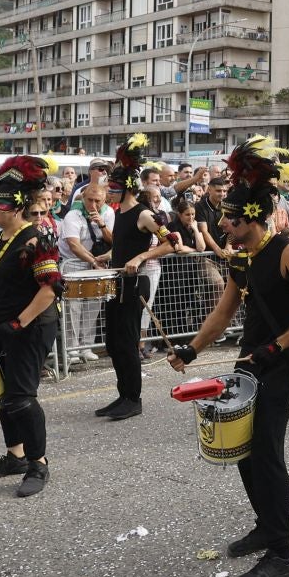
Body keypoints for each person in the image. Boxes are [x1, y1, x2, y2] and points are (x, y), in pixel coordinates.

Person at [167, 137, 289, 577]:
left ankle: (282, 554)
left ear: (253, 219)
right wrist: (191, 350)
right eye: (223, 216)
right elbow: (224, 311)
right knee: (244, 451)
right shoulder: (241, 256)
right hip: (251, 364)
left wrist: (274, 348)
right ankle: (265, 525)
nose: (222, 222)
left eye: (230, 218)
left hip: (280, 365)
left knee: (267, 455)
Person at [0, 157, 63, 498]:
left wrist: (18, 322)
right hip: (4, 327)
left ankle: (39, 463)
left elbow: (49, 289)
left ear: (17, 206)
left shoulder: (38, 239)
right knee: (4, 397)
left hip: (32, 326)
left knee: (22, 398)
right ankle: (15, 456)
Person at [97, 134, 177, 420]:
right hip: (117, 281)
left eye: (113, 189)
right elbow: (122, 246)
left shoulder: (144, 214)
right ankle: (122, 394)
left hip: (135, 282)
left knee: (128, 341)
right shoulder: (119, 213)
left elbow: (172, 242)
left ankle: (134, 398)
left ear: (127, 188)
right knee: (113, 343)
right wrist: (105, 258)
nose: (109, 193)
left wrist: (141, 257)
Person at [56, 181, 112, 363]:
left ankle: (86, 346)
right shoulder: (73, 214)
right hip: (75, 265)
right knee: (73, 307)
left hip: (98, 264)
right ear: (83, 197)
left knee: (93, 306)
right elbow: (74, 244)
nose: (93, 205)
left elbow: (114, 240)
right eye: (90, 200)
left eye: (98, 201)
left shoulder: (109, 213)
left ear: (105, 200)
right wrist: (93, 261)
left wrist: (102, 225)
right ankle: (72, 349)